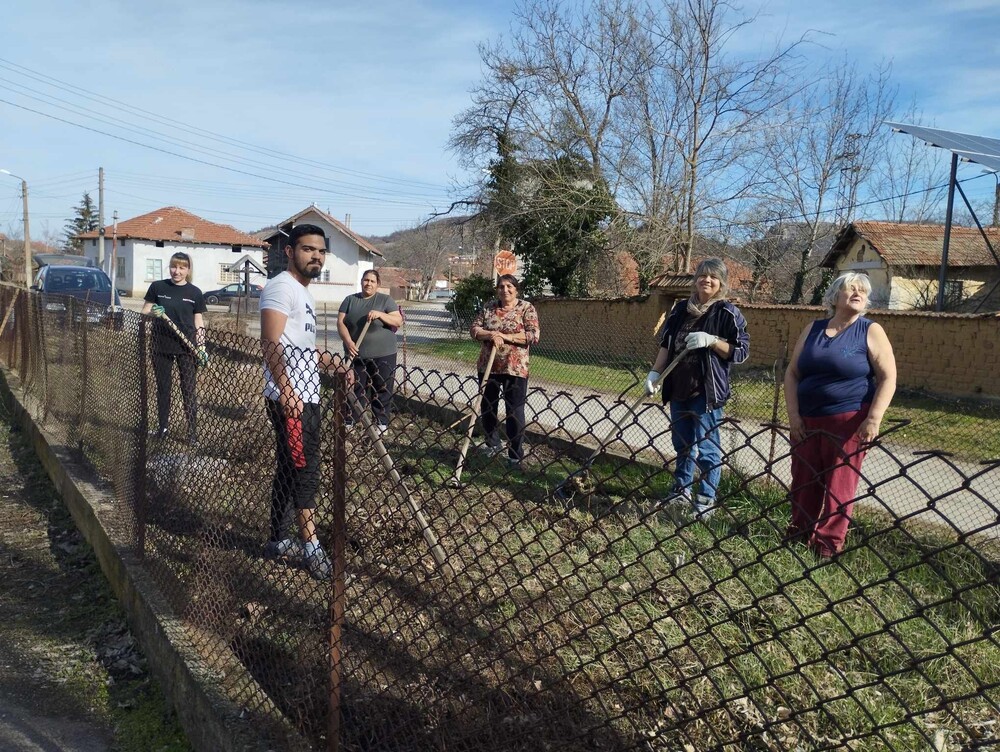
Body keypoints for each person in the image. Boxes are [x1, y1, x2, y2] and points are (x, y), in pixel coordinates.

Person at [260, 224, 354, 581]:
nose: (315, 256)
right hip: (294, 399)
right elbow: (270, 343)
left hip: (304, 394)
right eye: (307, 249)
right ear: (289, 251)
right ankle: (312, 550)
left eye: (320, 251)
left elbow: (298, 346)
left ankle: (277, 539)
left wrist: (333, 363)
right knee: (306, 470)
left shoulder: (304, 293)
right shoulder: (282, 287)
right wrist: (287, 391)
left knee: (289, 467)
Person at [784, 271, 896, 558]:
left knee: (839, 486)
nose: (859, 293)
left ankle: (827, 545)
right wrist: (794, 416)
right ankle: (799, 533)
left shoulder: (870, 330)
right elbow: (793, 373)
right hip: (807, 420)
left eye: (863, 290)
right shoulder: (813, 328)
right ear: (835, 296)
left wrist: (874, 418)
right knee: (804, 481)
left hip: (849, 423)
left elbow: (888, 377)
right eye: (851, 288)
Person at [645, 258, 750, 519]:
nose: (707, 280)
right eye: (702, 275)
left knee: (707, 447)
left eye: (713, 277)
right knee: (682, 443)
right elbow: (667, 345)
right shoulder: (681, 309)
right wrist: (655, 374)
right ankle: (681, 489)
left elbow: (741, 352)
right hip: (678, 385)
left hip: (706, 390)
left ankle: (706, 498)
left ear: (721, 283)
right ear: (695, 280)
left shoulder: (727, 313)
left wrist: (713, 341)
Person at [469, 274, 540, 467]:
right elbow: (474, 329)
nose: (505, 290)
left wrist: (505, 336)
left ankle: (515, 454)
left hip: (514, 367)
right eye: (501, 286)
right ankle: (492, 444)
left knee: (514, 411)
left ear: (516, 289)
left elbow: (533, 335)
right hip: (488, 366)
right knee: (488, 407)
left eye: (509, 286)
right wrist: (491, 334)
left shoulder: (526, 308)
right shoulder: (489, 307)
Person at [141, 251, 208, 444]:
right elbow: (145, 311)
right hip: (160, 345)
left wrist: (202, 347)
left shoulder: (194, 292)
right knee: (163, 388)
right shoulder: (158, 287)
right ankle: (162, 428)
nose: (176, 271)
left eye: (181, 267)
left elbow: (199, 321)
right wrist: (155, 312)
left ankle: (192, 433)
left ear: (188, 270)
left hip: (187, 347)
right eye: (173, 266)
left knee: (188, 389)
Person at [337, 269, 403, 434]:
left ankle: (381, 423)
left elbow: (397, 320)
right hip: (356, 352)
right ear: (361, 281)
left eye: (373, 281)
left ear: (378, 284)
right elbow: (340, 323)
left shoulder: (385, 300)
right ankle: (350, 421)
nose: (369, 283)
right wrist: (348, 342)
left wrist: (380, 314)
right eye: (366, 280)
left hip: (384, 353)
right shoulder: (350, 300)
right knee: (355, 387)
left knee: (382, 387)